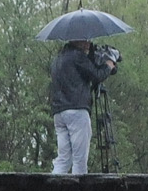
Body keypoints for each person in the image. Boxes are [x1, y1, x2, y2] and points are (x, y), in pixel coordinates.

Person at [47, 39, 117, 175]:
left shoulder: (58, 59)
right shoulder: (77, 56)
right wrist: (108, 65)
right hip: (77, 110)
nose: (88, 43)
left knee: (63, 159)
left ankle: (52, 189)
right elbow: (96, 75)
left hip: (59, 112)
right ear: (75, 40)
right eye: (84, 40)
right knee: (80, 160)